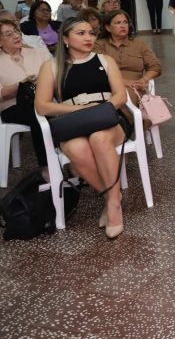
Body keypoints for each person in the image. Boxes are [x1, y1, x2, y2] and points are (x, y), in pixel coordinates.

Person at [34, 17, 129, 239]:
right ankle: (110, 197)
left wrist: (100, 111)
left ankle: (114, 206)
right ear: (65, 38)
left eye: (91, 33)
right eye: (81, 33)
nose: (88, 38)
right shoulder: (52, 66)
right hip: (74, 122)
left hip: (107, 118)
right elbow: (42, 105)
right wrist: (81, 110)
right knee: (76, 149)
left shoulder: (105, 60)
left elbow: (120, 96)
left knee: (99, 139)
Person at [0, 18, 51, 171]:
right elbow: (1, 94)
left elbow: (56, 74)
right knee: (39, 115)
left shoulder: (38, 52)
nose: (16, 36)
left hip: (44, 100)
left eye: (16, 31)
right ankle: (47, 167)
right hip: (12, 106)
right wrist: (22, 84)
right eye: (8, 34)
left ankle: (71, 159)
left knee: (54, 111)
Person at [95, 10, 162, 107]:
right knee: (120, 96)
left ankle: (124, 121)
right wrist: (125, 82)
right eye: (118, 23)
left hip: (135, 86)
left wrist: (144, 79)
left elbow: (155, 67)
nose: (123, 26)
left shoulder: (139, 45)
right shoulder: (99, 45)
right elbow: (95, 69)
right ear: (108, 27)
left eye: (125, 22)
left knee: (129, 97)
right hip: (107, 84)